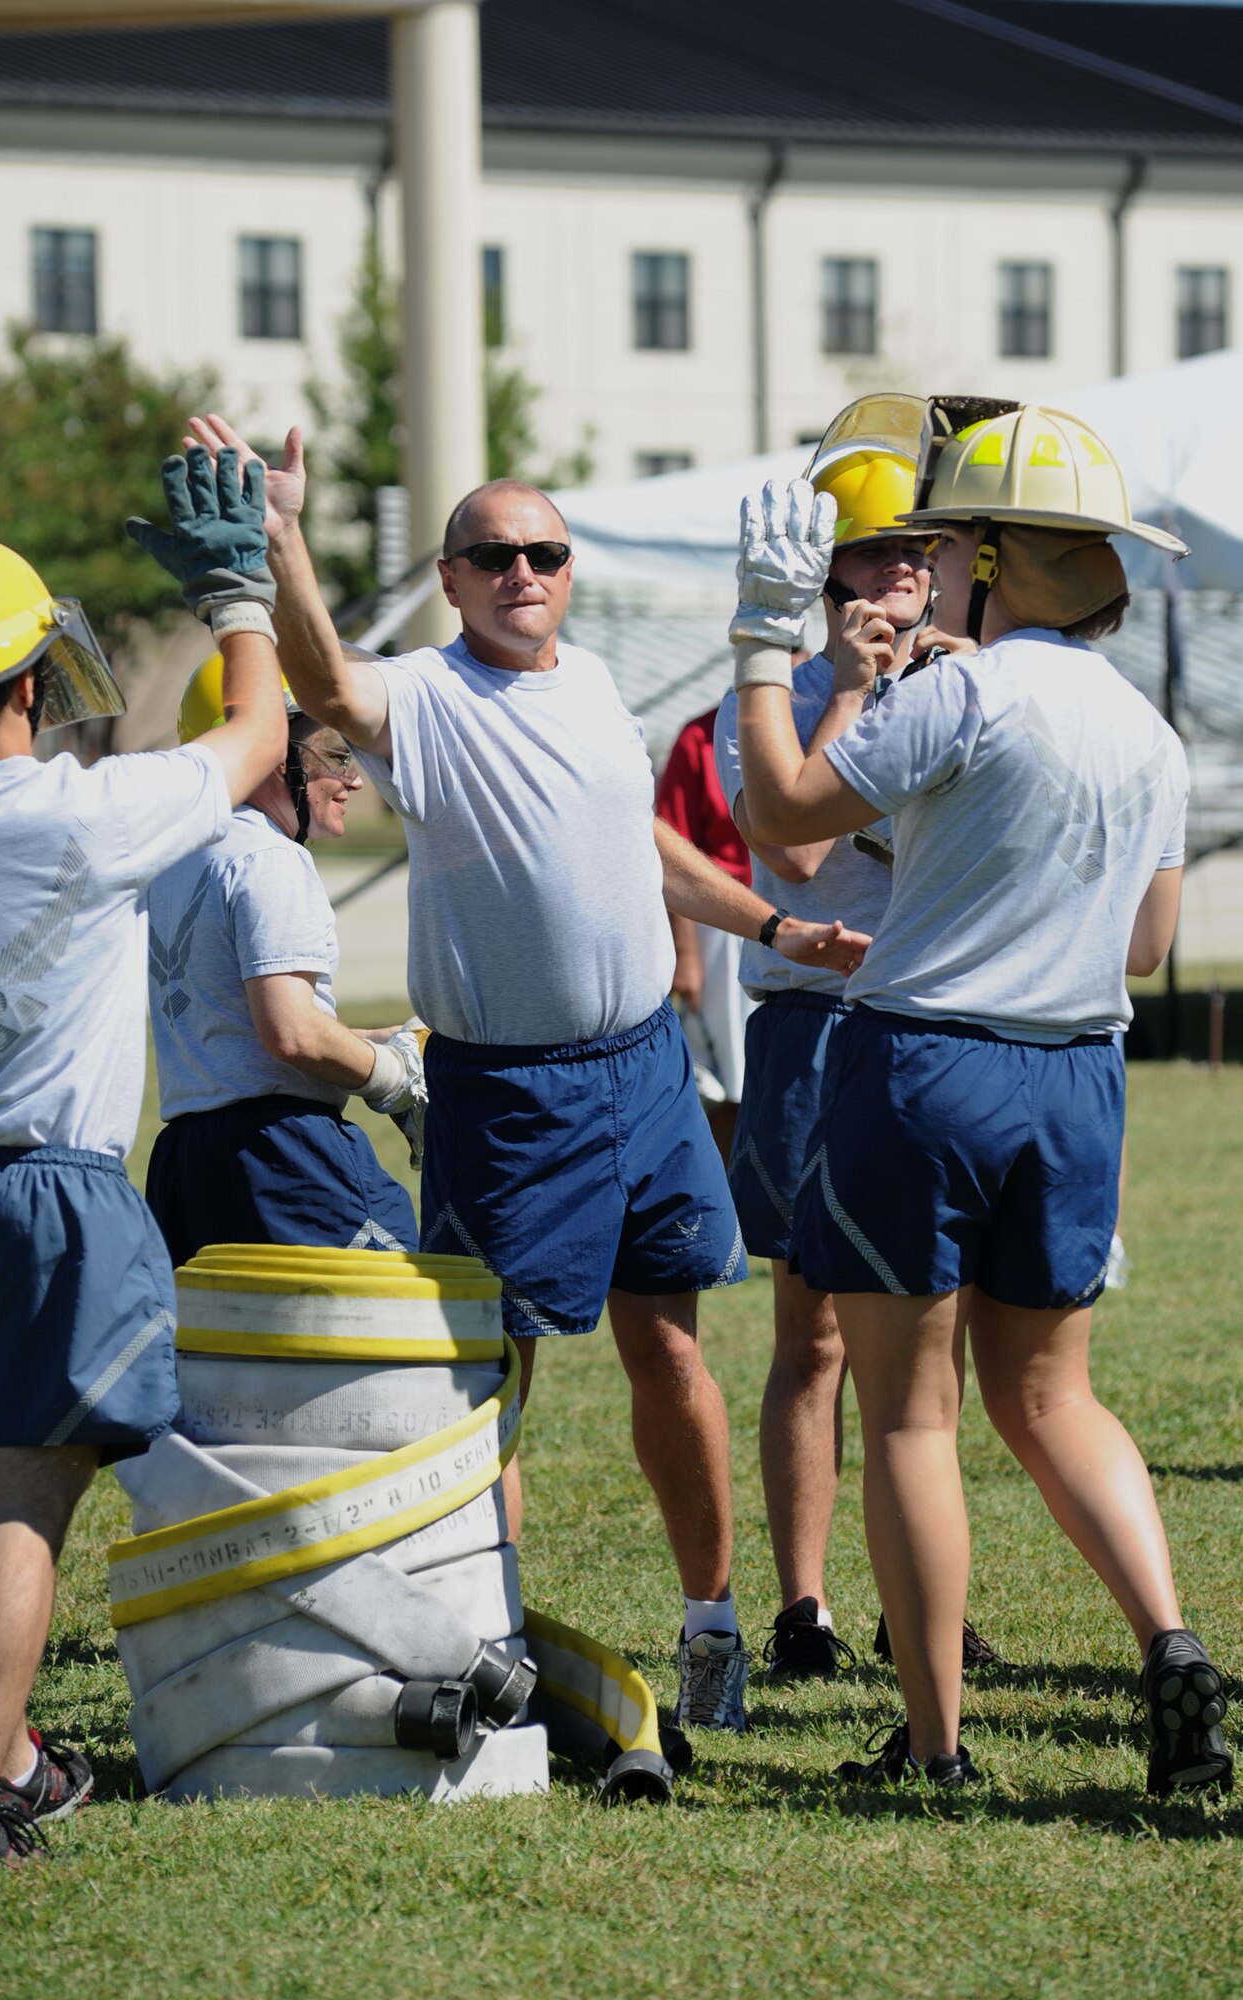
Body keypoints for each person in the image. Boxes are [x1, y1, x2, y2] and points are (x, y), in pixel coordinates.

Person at [181, 411, 869, 1735]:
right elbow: (325, 685)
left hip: (647, 1074)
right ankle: (479, 1637)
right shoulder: (423, 700)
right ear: (448, 579)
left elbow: (642, 848)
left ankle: (711, 1629)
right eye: (491, 556)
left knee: (670, 1347)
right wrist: (281, 543)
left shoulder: (597, 681)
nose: (522, 574)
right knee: (492, 1379)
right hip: (512, 1097)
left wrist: (770, 927)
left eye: (542, 552)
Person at [732, 400, 1232, 1795]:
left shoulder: (958, 692)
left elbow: (777, 811)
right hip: (1078, 1075)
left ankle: (936, 1745)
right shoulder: (1148, 734)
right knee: (1052, 1397)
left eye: (950, 542)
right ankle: (1172, 1644)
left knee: (909, 1414)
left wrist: (763, 639)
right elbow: (1140, 949)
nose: (932, 566)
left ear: (996, 558)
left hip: (925, 1064)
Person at [0, 447, 288, 1878]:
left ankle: (14, 1767)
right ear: (32, 683)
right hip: (63, 1193)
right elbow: (255, 738)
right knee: (25, 1507)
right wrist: (241, 583)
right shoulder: (80, 812)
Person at [718, 397, 996, 1682]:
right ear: (825, 568)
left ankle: (914, 1603)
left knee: (932, 1337)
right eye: (878, 550)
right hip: (811, 1032)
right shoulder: (770, 690)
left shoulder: (971, 680)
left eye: (919, 549)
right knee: (813, 1333)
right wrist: (848, 685)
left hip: (929, 1024)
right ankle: (804, 1605)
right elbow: (798, 847)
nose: (902, 570)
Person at [144, 652, 422, 1265]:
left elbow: (238, 1027)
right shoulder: (269, 857)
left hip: (186, 1162)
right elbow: (291, 1035)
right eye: (337, 753)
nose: (354, 780)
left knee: (231, 1356)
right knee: (412, 1332)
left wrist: (381, 1039)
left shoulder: (175, 859)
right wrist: (395, 1080)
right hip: (284, 1155)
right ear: (273, 748)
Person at [655, 706, 754, 1164]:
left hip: (805, 926)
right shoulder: (702, 735)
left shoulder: (818, 718)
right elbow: (671, 847)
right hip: (723, 932)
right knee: (727, 1087)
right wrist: (685, 952)